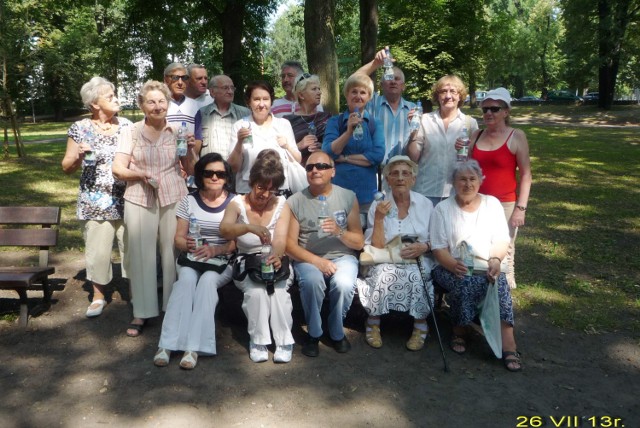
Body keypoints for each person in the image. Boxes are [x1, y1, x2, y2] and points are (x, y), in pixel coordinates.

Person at [112, 80, 197, 337]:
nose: (157, 106)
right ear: (141, 105)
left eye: (161, 101)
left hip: (174, 195)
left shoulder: (177, 132)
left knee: (172, 252)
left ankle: (172, 306)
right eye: (151, 101)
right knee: (141, 254)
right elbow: (118, 169)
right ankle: (142, 311)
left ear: (168, 104)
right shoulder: (131, 132)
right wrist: (139, 175)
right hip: (139, 195)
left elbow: (191, 169)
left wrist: (191, 151)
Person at [430, 160, 522, 372]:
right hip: (449, 267)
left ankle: (509, 343)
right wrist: (453, 265)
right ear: (453, 182)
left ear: (481, 181)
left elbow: (501, 240)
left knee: (497, 284)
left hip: (487, 265)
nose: (468, 184)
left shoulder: (492, 204)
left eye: (472, 179)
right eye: (462, 179)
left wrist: (496, 260)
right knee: (466, 281)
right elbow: (438, 249)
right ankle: (460, 330)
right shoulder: (442, 209)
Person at [154, 153, 235, 369]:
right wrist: (187, 244)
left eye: (220, 173)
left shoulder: (234, 202)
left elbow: (236, 244)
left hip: (221, 261)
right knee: (186, 282)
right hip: (192, 259)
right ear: (200, 175)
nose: (215, 177)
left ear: (227, 176)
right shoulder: (189, 200)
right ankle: (167, 344)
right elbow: (178, 238)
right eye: (209, 173)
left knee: (207, 283)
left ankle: (194, 347)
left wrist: (216, 249)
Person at [61, 77, 132, 318]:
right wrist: (79, 157)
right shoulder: (80, 128)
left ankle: (135, 293)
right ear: (94, 103)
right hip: (94, 200)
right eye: (110, 97)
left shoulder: (127, 125)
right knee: (98, 251)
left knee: (131, 247)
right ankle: (99, 296)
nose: (116, 100)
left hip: (127, 198)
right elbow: (66, 166)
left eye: (115, 95)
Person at [286, 151, 364, 357]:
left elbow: (358, 241)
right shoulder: (295, 201)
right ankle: (314, 332)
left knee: (344, 284)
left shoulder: (347, 197)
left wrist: (339, 231)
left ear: (333, 171)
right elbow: (289, 246)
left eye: (321, 166)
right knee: (312, 282)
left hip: (342, 255)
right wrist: (317, 261)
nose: (315, 170)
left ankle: (336, 330)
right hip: (308, 256)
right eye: (310, 167)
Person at [220, 150, 294, 363]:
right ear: (252, 182)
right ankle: (259, 340)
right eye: (261, 187)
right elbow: (225, 229)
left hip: (275, 259)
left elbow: (280, 238)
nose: (264, 194)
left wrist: (278, 255)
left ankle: (284, 340)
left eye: (271, 190)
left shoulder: (281, 204)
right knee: (256, 291)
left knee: (278, 290)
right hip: (247, 261)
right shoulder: (237, 204)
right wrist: (249, 227)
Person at [356, 156, 434, 351]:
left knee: (418, 276)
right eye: (394, 174)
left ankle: (420, 325)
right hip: (386, 256)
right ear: (388, 180)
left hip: (417, 256)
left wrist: (424, 247)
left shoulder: (426, 204)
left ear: (413, 179)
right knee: (382, 273)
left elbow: (439, 239)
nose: (400, 178)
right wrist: (380, 219)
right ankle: (373, 322)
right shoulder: (379, 205)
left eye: (405, 173)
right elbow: (377, 246)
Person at [469, 87, 532, 289]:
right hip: (477, 200)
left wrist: (520, 208)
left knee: (506, 242)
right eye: (485, 109)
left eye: (495, 109)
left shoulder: (516, 136)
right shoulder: (476, 135)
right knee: (478, 241)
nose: (488, 113)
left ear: (506, 112)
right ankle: (481, 276)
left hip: (505, 201)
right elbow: (465, 167)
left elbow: (526, 175)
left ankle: (507, 276)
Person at [406, 75, 479, 207]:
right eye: (443, 91)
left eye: (453, 91)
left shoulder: (470, 123)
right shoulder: (425, 120)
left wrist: (466, 150)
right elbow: (413, 158)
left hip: (456, 192)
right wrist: (413, 133)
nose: (448, 96)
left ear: (460, 96)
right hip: (426, 190)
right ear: (437, 96)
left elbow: (474, 162)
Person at [322, 73, 385, 217]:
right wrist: (348, 132)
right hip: (338, 194)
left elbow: (377, 156)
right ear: (347, 95)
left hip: (367, 196)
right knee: (338, 236)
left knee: (366, 237)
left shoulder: (375, 124)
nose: (358, 96)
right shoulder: (335, 122)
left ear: (369, 97)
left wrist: (344, 158)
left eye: (363, 92)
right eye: (354, 91)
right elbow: (327, 152)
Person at [227, 80, 301, 195]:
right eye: (256, 99)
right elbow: (232, 167)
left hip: (279, 189)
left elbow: (298, 159)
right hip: (248, 191)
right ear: (249, 102)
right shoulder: (240, 126)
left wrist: (287, 146)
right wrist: (239, 143)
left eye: (265, 99)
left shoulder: (283, 124)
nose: (261, 104)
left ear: (271, 101)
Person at [356, 47, 416, 163]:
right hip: (374, 170)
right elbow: (355, 81)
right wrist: (376, 63)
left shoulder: (413, 109)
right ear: (381, 85)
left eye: (397, 79)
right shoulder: (371, 102)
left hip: (402, 173)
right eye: (389, 78)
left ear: (403, 86)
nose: (393, 81)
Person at [195, 74, 250, 159]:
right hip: (210, 170)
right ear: (212, 92)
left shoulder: (245, 113)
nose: (230, 92)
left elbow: (250, 144)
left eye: (232, 88)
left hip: (237, 169)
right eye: (225, 88)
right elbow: (196, 148)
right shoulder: (202, 113)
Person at [283, 73, 332, 166]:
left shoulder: (327, 117)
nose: (319, 92)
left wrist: (323, 147)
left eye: (319, 89)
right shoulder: (287, 121)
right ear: (301, 95)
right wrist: (300, 145)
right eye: (314, 89)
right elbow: (281, 152)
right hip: (297, 171)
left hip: (322, 168)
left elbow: (335, 147)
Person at [163, 62, 202, 136]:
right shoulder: (158, 105)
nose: (180, 82)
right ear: (165, 80)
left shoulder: (195, 106)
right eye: (175, 78)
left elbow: (198, 139)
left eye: (184, 78)